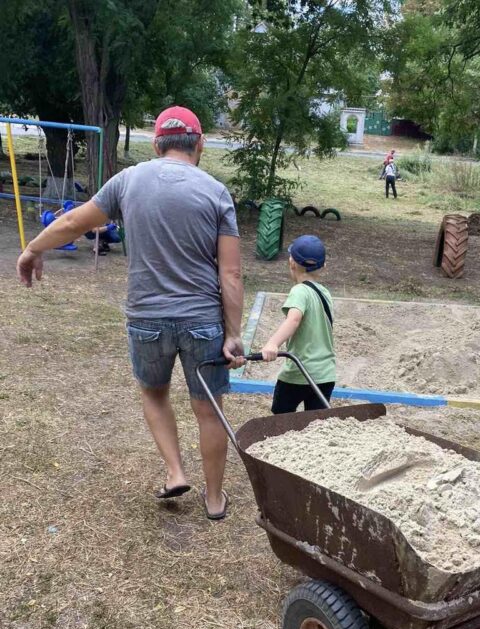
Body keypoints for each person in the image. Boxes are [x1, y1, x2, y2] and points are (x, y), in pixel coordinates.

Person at [16, 106, 244, 520]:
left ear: (157, 143)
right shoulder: (215, 191)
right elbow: (230, 272)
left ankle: (175, 471)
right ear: (201, 144)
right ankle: (214, 500)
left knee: (154, 394)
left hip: (147, 319)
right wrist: (233, 333)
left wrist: (33, 248)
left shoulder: (128, 181)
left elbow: (71, 223)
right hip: (203, 321)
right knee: (208, 409)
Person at [261, 235, 335, 414]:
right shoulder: (325, 293)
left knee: (280, 417)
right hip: (325, 374)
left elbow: (294, 319)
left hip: (300, 371)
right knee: (316, 423)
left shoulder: (299, 291)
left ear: (291, 262)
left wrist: (273, 343)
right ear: (324, 266)